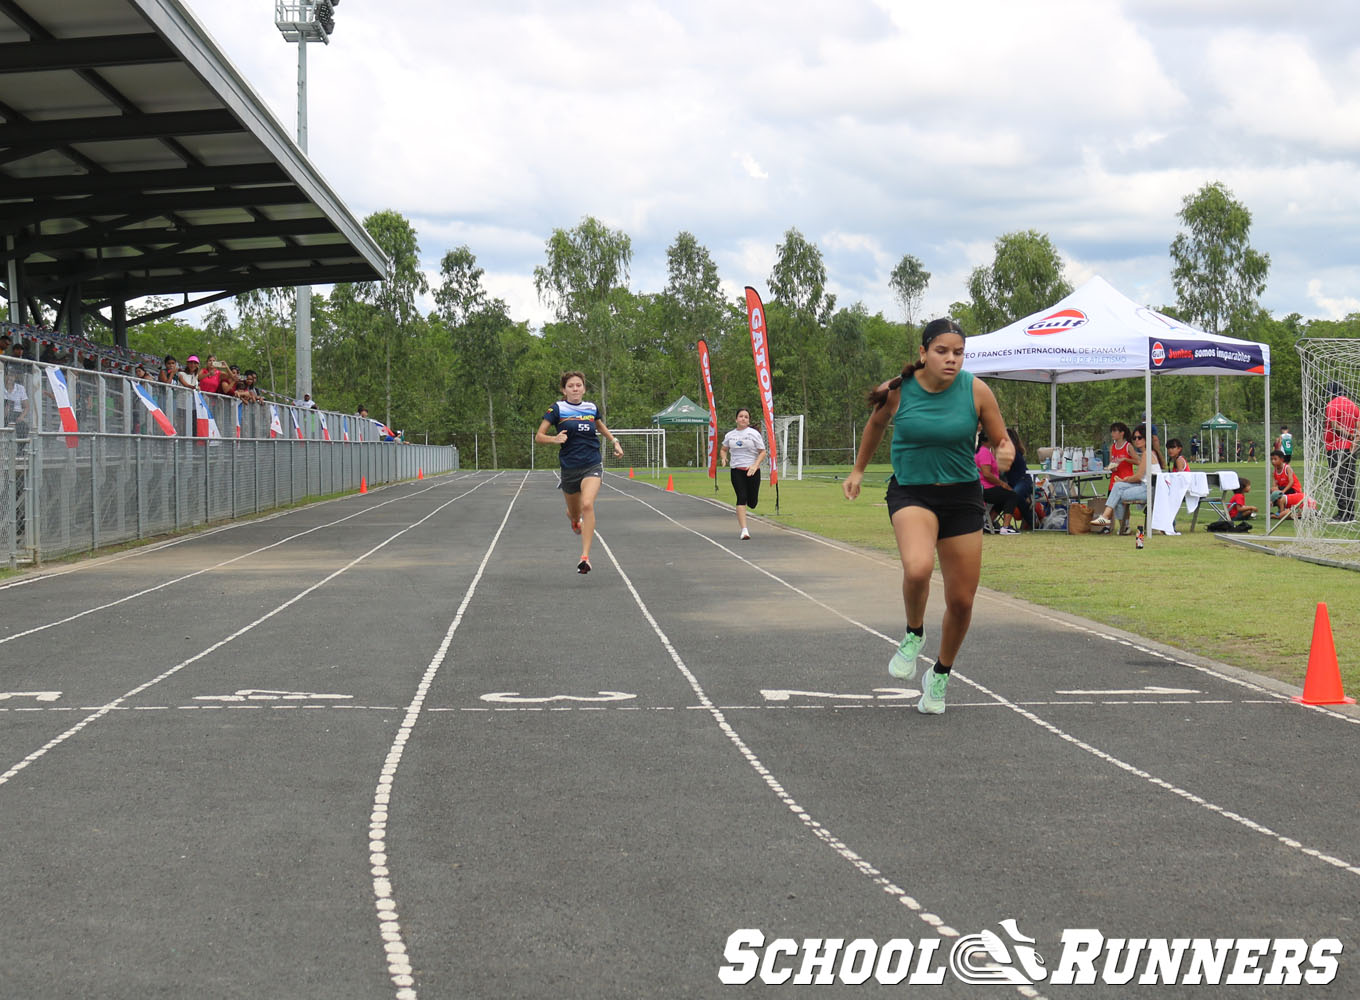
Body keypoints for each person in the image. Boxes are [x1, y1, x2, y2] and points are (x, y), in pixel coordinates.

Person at [843, 318, 1013, 715]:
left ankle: (939, 675)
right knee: (918, 569)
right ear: (923, 354)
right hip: (912, 491)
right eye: (942, 351)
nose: (951, 360)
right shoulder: (899, 391)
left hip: (962, 498)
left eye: (958, 353)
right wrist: (857, 471)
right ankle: (913, 633)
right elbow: (875, 426)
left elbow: (1002, 440)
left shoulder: (976, 390)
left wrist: (1005, 453)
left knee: (961, 601)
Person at [535, 371, 624, 574]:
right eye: (571, 386)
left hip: (592, 464)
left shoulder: (591, 408)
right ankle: (574, 520)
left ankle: (585, 557)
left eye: (578, 385)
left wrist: (615, 442)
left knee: (587, 505)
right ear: (564, 390)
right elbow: (539, 436)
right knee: (575, 513)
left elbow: (601, 427)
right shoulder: (557, 409)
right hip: (569, 469)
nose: (575, 389)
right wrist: (554, 439)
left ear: (584, 388)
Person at [1091, 424, 1161, 533]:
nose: (1136, 440)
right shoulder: (1148, 453)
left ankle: (1112, 521)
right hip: (1144, 486)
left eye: (1139, 438)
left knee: (1117, 493)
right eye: (1134, 438)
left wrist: (1124, 479)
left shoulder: (1147, 454)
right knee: (1117, 487)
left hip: (1149, 489)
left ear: (1146, 439)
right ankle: (1110, 520)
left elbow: (1138, 476)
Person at [719, 407, 767, 540]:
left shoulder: (753, 434)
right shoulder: (730, 435)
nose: (743, 419)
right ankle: (744, 530)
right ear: (736, 419)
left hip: (752, 471)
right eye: (741, 416)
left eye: (746, 417)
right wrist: (723, 457)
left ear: (748, 420)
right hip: (736, 470)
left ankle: (752, 503)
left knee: (752, 502)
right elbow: (723, 449)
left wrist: (755, 465)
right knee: (741, 497)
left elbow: (762, 452)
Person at [1324, 382, 1358, 523]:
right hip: (1351, 448)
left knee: (1338, 480)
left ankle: (1342, 514)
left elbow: (1334, 425)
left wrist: (1348, 436)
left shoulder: (1332, 404)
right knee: (1350, 480)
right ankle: (1350, 514)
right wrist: (1354, 442)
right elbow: (1358, 428)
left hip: (1335, 448)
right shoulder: (1354, 406)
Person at [975, 426, 1016, 533]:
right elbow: (987, 474)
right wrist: (1002, 484)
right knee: (1012, 495)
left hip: (985, 488)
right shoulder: (984, 452)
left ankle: (989, 523)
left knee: (1003, 498)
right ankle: (1006, 527)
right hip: (986, 489)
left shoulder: (983, 451)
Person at [1001, 427, 1032, 531]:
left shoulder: (1013, 452)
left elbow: (1001, 468)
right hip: (1015, 482)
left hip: (1023, 480)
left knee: (1014, 495)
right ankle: (1032, 521)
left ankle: (1007, 526)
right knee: (1017, 498)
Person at [1270, 449, 1307, 518]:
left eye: (1275, 459)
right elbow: (1274, 485)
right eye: (1271, 459)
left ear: (1281, 459)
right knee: (1273, 491)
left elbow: (1291, 482)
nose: (1273, 461)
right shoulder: (1274, 471)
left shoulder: (1287, 468)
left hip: (1294, 489)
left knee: (1276, 491)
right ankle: (1282, 510)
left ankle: (1282, 512)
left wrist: (1282, 492)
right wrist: (1273, 496)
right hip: (1284, 489)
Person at [1107, 422, 1138, 493]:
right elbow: (1111, 463)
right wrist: (1112, 467)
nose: (1112, 433)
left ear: (1122, 433)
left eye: (1114, 431)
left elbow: (1138, 462)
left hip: (1126, 481)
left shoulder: (1128, 446)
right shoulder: (1112, 447)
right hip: (1114, 482)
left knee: (1123, 503)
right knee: (1110, 503)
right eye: (1111, 431)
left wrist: (1125, 459)